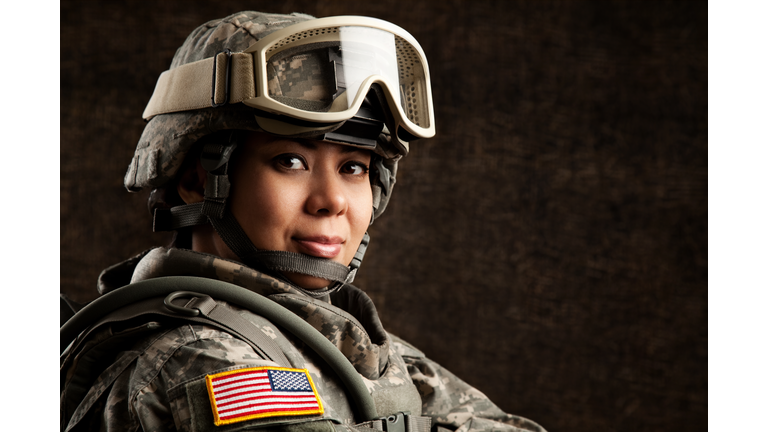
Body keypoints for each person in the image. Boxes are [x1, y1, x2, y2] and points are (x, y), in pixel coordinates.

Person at [60, 11, 546, 432]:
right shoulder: (205, 360)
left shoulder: (339, 340)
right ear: (196, 180)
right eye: (290, 161)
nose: (332, 200)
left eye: (353, 167)